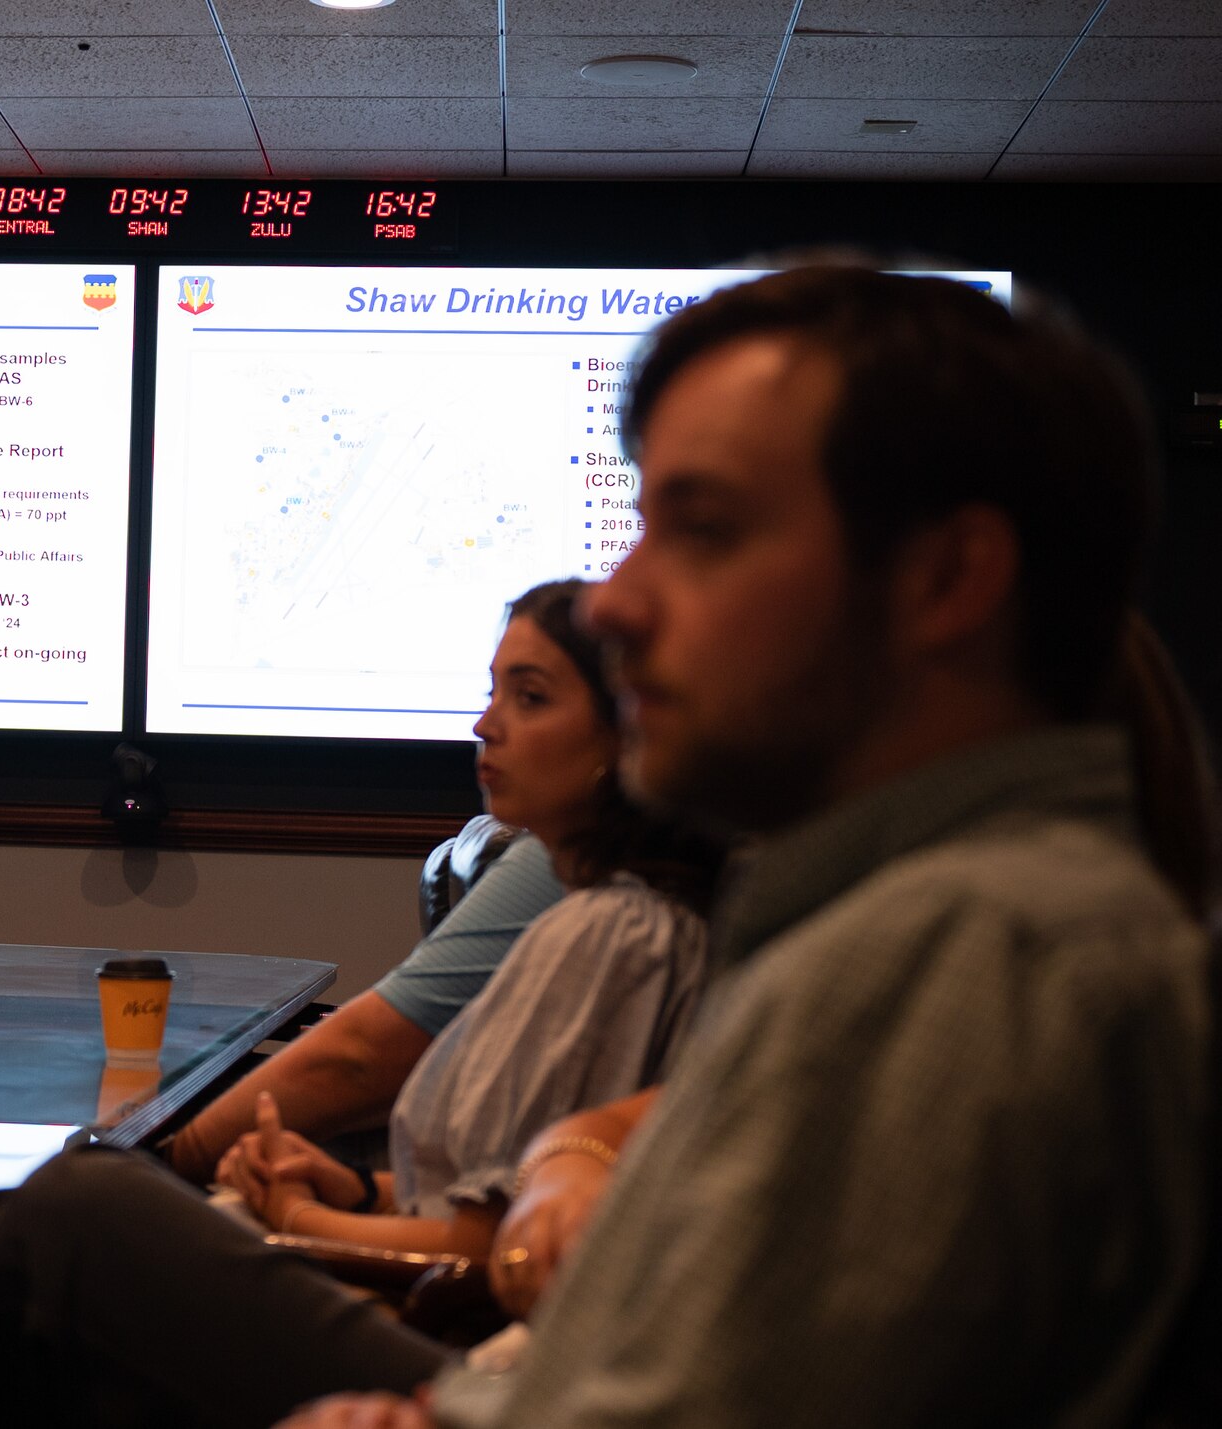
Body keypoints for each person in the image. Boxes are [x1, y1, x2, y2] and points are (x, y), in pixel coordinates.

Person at [280, 266, 1216, 1429]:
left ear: (944, 577)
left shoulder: (960, 955)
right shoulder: (923, 923)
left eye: (704, 529)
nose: (616, 604)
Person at [0, 581, 723, 1427]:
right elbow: (487, 1196)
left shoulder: (611, 931)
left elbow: (494, 1252)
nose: (486, 725)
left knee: (73, 1206)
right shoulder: (630, 919)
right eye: (492, 692)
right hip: (438, 1298)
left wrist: (298, 1214)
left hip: (469, 1356)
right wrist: (354, 1192)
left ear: (624, 731)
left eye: (531, 697)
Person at [166, 818, 566, 1186]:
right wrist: (363, 1194)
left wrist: (173, 1160)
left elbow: (357, 1057)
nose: (480, 733)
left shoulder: (562, 869)